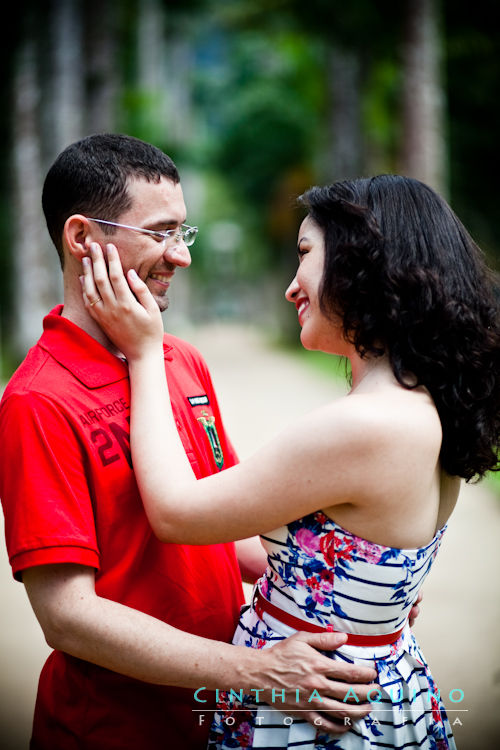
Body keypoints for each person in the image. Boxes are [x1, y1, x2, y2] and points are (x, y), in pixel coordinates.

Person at [80, 173, 500, 750]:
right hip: (374, 688)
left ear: (362, 264)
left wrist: (146, 352)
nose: (291, 287)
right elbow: (332, 552)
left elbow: (177, 513)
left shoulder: (367, 425)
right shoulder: (426, 401)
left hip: (314, 711)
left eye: (305, 253)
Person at [0, 135, 382, 750]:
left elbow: (224, 527)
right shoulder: (38, 400)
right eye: (161, 232)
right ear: (82, 239)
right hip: (115, 731)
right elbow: (67, 616)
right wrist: (258, 672)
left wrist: (337, 594)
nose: (180, 256)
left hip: (220, 723)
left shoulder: (180, 362)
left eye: (186, 233)